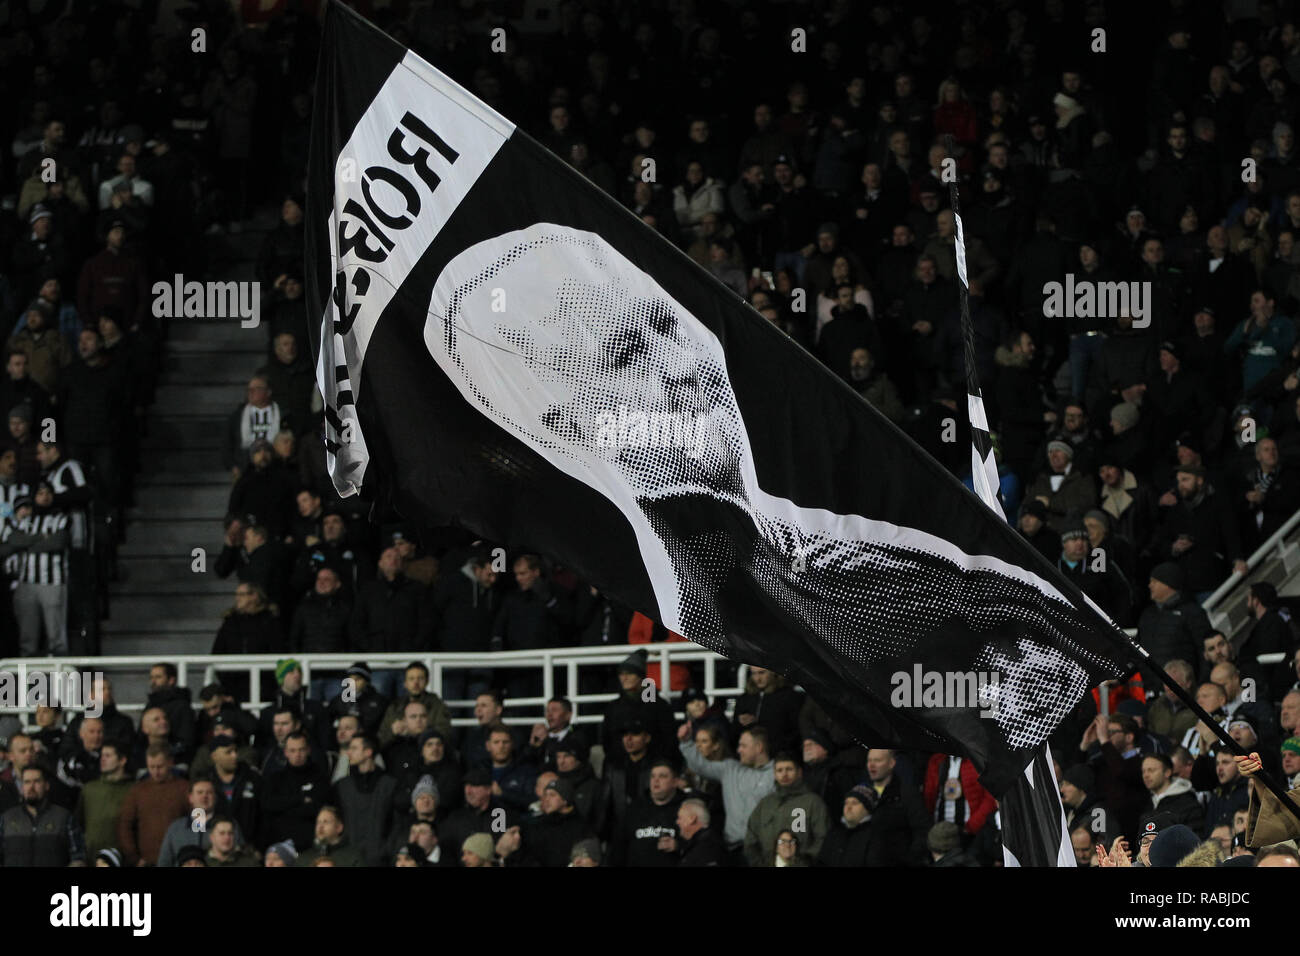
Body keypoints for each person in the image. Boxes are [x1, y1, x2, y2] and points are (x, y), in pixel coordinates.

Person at [677, 721, 774, 864]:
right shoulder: (730, 769)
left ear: (759, 747)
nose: (739, 750)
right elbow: (701, 766)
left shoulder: (777, 774)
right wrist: (686, 742)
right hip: (733, 851)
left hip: (765, 851)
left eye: (743, 746)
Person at [743, 752, 830, 866]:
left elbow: (823, 838)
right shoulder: (766, 804)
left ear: (799, 772)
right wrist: (760, 863)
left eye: (789, 769)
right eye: (779, 770)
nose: (784, 774)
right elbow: (751, 838)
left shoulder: (813, 802)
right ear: (774, 774)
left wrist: (805, 862)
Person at [116, 745, 189, 866]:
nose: (156, 771)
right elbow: (124, 824)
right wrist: (134, 857)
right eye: (151, 767)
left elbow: (199, 818)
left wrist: (195, 851)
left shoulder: (185, 787)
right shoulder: (138, 790)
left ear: (170, 763)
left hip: (179, 860)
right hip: (147, 862)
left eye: (160, 767)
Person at [0, 765, 86, 866]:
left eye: (36, 781)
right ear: (22, 787)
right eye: (27, 782)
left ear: (46, 785)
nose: (31, 787)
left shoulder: (64, 818)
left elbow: (78, 857)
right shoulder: (7, 819)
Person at [332, 732, 395, 866]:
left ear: (368, 752)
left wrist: (386, 850)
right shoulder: (342, 786)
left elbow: (395, 823)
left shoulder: (390, 784)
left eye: (354, 748)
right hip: (349, 860)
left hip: (381, 860)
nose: (349, 753)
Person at [675, 797, 725, 866]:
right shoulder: (698, 843)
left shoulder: (708, 848)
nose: (677, 822)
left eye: (680, 818)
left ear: (692, 819)